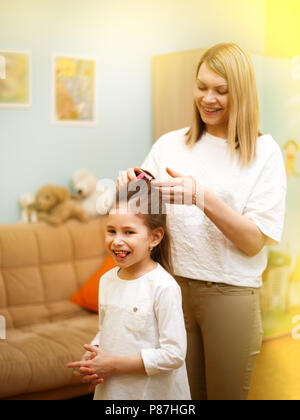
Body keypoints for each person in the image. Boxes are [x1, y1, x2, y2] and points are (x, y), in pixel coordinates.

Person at [117, 43, 287, 400]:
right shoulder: (170, 144)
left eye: (221, 91)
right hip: (172, 289)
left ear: (240, 93)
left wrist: (202, 196)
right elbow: (142, 212)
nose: (208, 98)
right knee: (182, 398)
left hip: (229, 293)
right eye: (202, 86)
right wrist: (127, 190)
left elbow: (253, 240)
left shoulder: (264, 152)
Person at [67, 175, 191, 400]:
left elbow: (174, 355)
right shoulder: (107, 280)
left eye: (129, 232)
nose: (117, 240)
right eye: (112, 231)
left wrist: (113, 364)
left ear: (154, 237)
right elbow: (109, 328)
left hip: (152, 395)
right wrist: (95, 351)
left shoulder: (164, 287)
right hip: (115, 391)